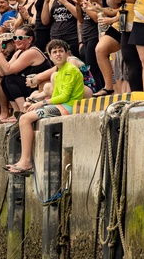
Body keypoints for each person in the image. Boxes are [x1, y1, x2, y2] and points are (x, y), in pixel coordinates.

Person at [5, 40, 85, 176]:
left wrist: (42, 103)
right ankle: (23, 160)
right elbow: (55, 94)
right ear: (50, 56)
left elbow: (65, 97)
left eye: (61, 51)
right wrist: (34, 101)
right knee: (26, 116)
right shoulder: (59, 72)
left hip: (68, 107)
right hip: (61, 105)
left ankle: (26, 162)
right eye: (54, 52)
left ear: (67, 54)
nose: (58, 54)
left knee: (25, 119)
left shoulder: (70, 70)